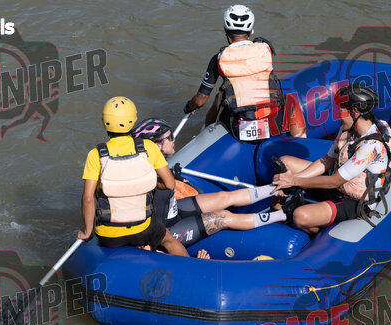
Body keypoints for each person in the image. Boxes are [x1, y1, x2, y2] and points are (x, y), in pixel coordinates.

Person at [132, 117, 304, 247]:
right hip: (168, 229)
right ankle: (284, 215)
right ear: (155, 145)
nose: (174, 139)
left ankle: (282, 187)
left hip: (174, 210)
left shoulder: (160, 165)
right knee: (223, 217)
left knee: (224, 197)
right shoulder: (144, 174)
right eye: (169, 137)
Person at [272, 82, 391, 233]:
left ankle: (315, 227)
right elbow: (327, 161)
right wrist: (292, 180)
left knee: (300, 216)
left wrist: (294, 181)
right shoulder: (348, 129)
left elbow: (334, 181)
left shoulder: (371, 146)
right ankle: (277, 210)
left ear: (355, 112)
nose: (337, 116)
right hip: (339, 186)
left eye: (340, 110)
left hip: (355, 201)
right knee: (286, 163)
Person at [77, 97, 197, 257]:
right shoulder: (147, 147)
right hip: (143, 229)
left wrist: (87, 231)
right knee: (169, 240)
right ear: (133, 121)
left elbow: (87, 199)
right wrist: (150, 183)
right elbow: (169, 184)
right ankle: (190, 265)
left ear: (104, 122)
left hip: (108, 235)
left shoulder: (95, 154)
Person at [182, 5, 305, 140]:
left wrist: (189, 107)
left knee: (219, 99)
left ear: (225, 30)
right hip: (272, 124)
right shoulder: (266, 49)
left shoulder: (218, 59)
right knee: (291, 100)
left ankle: (205, 134)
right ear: (251, 30)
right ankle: (301, 141)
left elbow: (200, 101)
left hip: (239, 127)